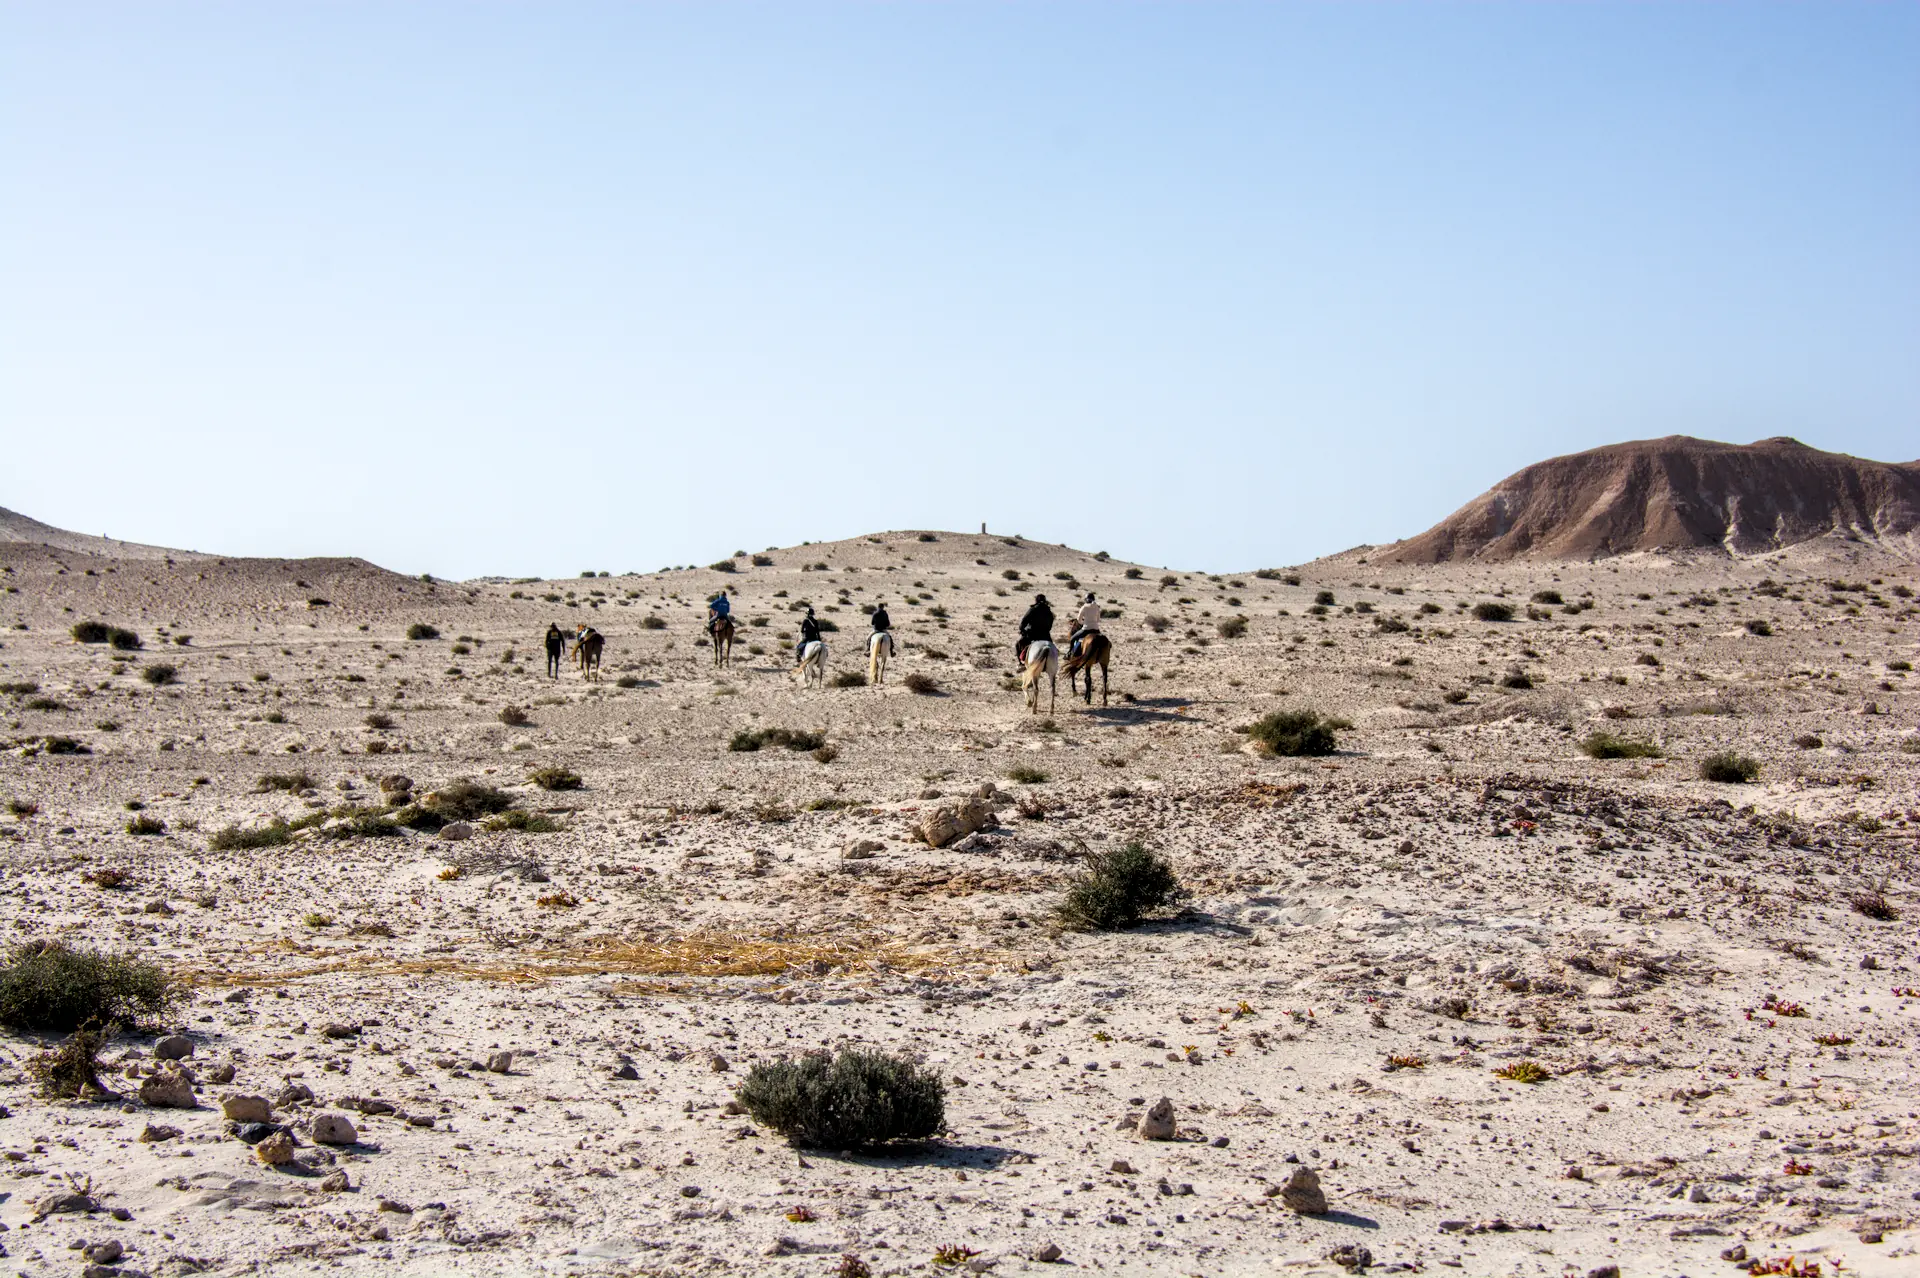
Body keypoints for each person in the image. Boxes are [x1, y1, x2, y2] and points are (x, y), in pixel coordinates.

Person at [1017, 593, 1053, 665]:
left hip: (1033, 634)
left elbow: (1024, 621)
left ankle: (1021, 664)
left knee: (1018, 645)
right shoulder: (1048, 610)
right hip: (1045, 635)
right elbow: (1050, 624)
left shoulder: (1033, 609)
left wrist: (1022, 629)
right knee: (1052, 647)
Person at [1066, 592, 1102, 659]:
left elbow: (1078, 620)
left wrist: (1084, 623)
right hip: (1096, 629)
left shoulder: (1084, 607)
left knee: (1072, 639)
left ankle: (1069, 653)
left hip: (1086, 629)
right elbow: (1098, 620)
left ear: (1086, 600)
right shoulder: (1097, 607)